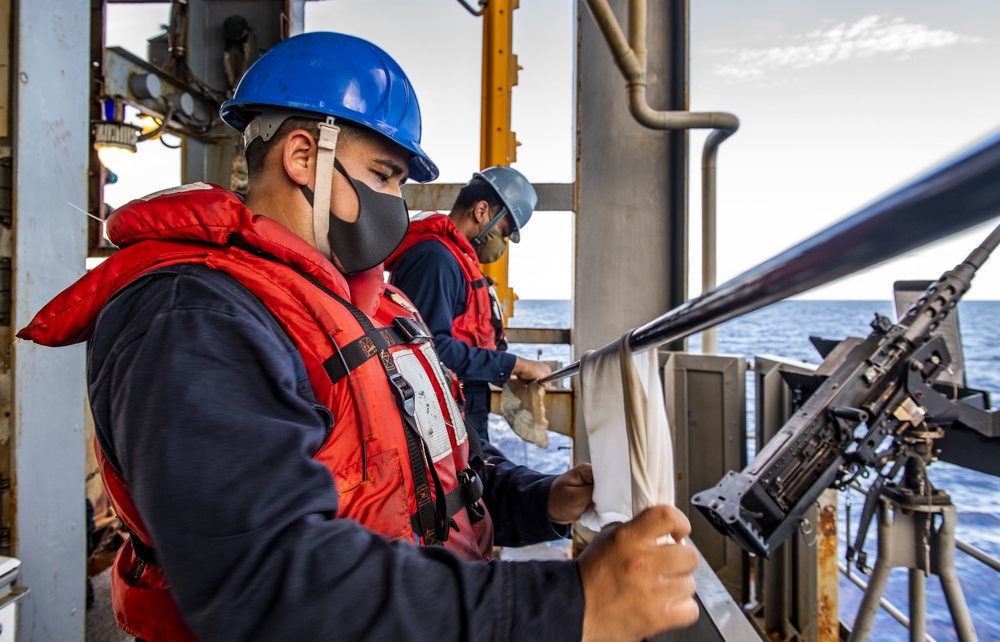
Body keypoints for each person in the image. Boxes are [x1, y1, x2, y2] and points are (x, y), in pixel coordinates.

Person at [18, 32, 699, 642]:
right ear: (304, 157)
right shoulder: (194, 319)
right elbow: (273, 585)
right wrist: (569, 604)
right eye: (383, 178)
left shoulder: (369, 301)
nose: (396, 208)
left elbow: (425, 470)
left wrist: (541, 501)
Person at [387, 168, 551, 443]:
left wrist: (501, 373)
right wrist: (515, 365)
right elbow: (427, 349)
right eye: (504, 231)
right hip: (442, 420)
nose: (504, 242)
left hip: (459, 410)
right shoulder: (434, 260)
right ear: (482, 210)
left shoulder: (453, 259)